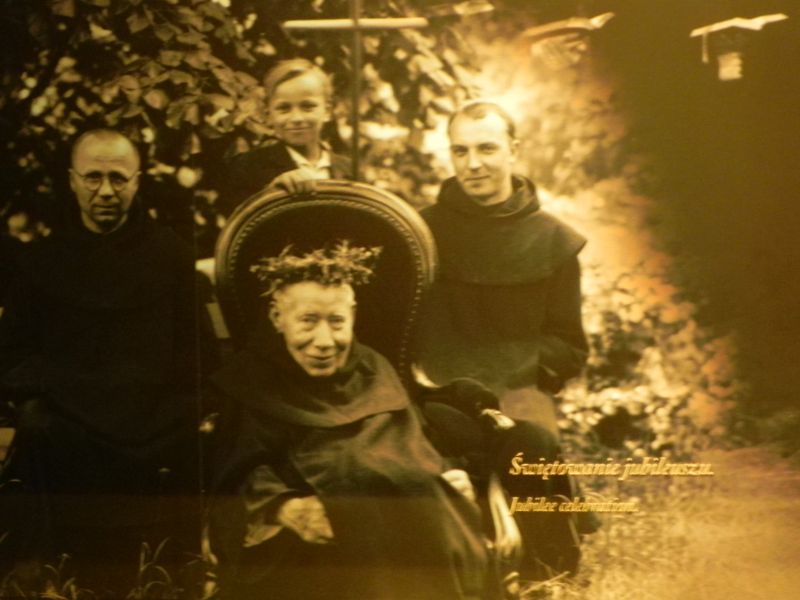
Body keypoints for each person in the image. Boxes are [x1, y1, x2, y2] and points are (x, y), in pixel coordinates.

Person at [208, 242, 489, 600]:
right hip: (308, 546)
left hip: (404, 531)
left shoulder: (374, 367)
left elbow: (413, 444)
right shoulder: (250, 379)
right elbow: (234, 472)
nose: (325, 341)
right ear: (278, 318)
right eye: (308, 321)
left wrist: (445, 473)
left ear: (353, 317)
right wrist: (282, 506)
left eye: (337, 322)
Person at [0, 129, 199, 588]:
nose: (105, 191)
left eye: (118, 178)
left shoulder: (171, 255)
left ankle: (174, 574)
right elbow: (11, 352)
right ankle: (46, 575)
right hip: (69, 419)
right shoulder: (42, 260)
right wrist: (61, 386)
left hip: (152, 420)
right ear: (72, 181)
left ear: (137, 181)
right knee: (38, 426)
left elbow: (196, 352)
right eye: (93, 177)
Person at [415, 101, 590, 578]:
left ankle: (536, 567)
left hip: (517, 388)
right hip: (438, 391)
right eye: (461, 151)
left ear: (514, 149)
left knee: (530, 443)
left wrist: (510, 369)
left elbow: (570, 346)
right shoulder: (420, 232)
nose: (473, 164)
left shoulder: (553, 240)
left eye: (487, 149)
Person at [217, 58, 351, 217]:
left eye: (308, 106)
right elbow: (239, 224)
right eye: (284, 108)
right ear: (269, 113)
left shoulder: (349, 169)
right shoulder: (249, 168)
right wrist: (270, 194)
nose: (296, 118)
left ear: (327, 111)